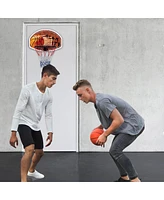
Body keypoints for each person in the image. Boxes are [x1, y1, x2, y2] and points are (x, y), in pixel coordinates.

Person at [73, 79, 145, 182]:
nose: (80, 98)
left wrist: (104, 135)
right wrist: (101, 126)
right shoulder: (98, 101)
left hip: (133, 125)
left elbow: (118, 120)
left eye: (80, 95)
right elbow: (111, 116)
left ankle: (135, 180)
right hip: (127, 125)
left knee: (115, 151)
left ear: (88, 90)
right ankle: (124, 177)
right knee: (114, 151)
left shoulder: (102, 101)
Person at [9, 64, 60, 182]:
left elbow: (48, 114)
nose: (55, 82)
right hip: (23, 122)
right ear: (45, 76)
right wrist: (13, 133)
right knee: (29, 149)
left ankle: (31, 171)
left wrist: (50, 131)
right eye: (53, 78)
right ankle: (23, 180)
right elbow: (18, 110)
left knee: (40, 152)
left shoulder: (48, 95)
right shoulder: (28, 89)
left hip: (35, 125)